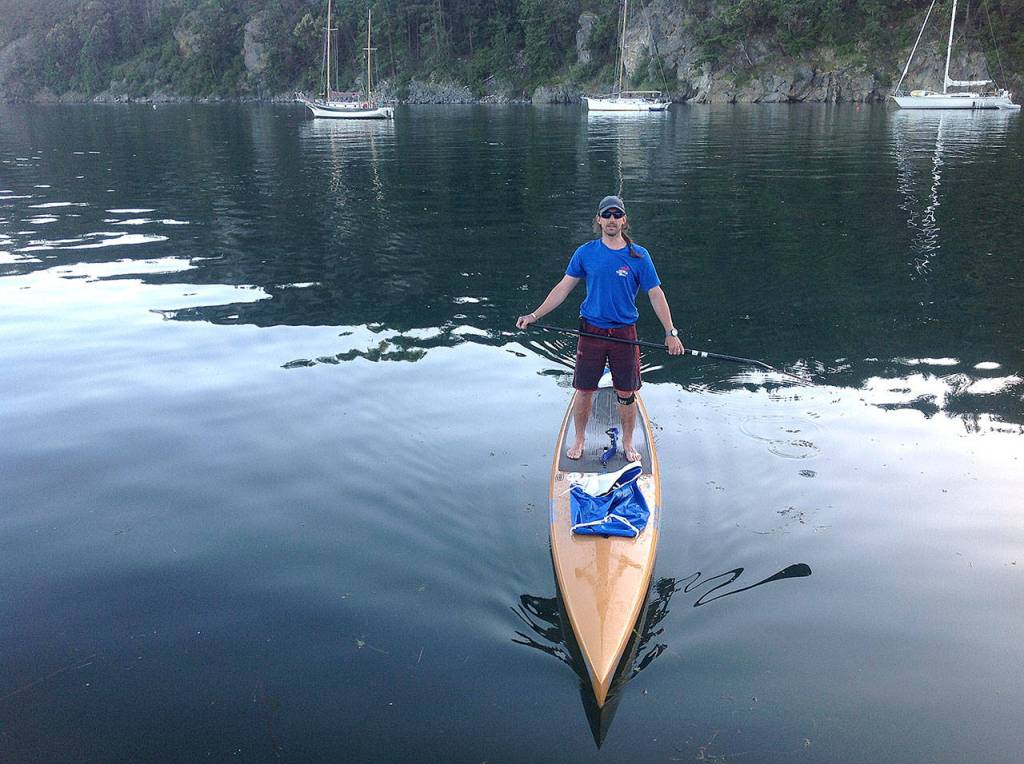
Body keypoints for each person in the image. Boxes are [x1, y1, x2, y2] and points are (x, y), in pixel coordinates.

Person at [516, 195, 684, 462]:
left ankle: (628, 442)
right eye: (607, 215)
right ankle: (579, 439)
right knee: (584, 389)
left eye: (617, 215)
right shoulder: (585, 253)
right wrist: (534, 315)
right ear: (598, 220)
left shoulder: (639, 256)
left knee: (626, 392)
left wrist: (670, 332)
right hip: (591, 331)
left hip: (624, 333)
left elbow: (656, 294)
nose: (612, 220)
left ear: (624, 220)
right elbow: (563, 288)